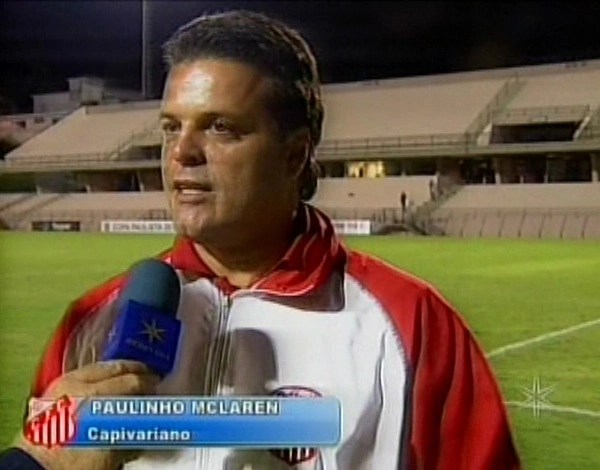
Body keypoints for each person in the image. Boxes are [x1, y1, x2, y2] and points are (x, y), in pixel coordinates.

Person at [8, 10, 520, 470]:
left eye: (221, 128)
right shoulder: (93, 321)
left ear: (295, 155)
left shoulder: (415, 326)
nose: (182, 151)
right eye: (170, 127)